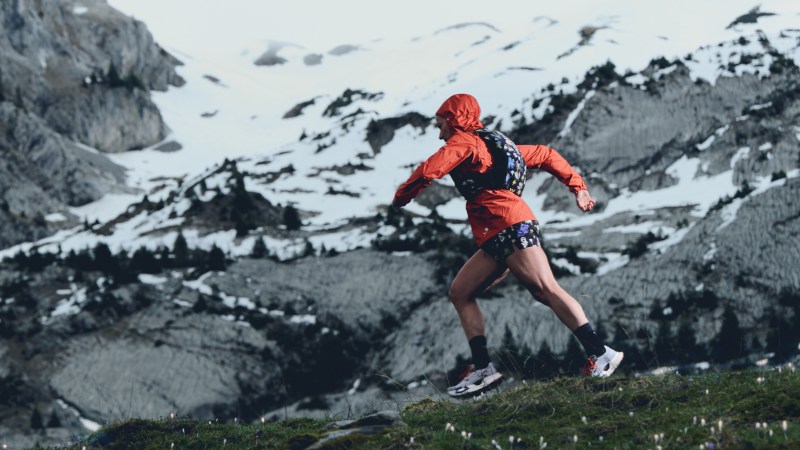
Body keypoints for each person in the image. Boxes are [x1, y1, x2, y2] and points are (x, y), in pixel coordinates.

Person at [391, 93, 623, 397]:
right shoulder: (499, 145)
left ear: (454, 120)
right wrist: (577, 187)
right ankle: (483, 369)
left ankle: (602, 353)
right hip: (498, 231)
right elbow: (546, 154)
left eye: (441, 124)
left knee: (546, 289)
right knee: (460, 292)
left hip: (508, 226)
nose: (439, 133)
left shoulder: (465, 142)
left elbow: (430, 169)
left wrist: (402, 197)